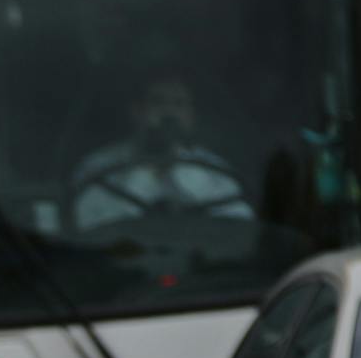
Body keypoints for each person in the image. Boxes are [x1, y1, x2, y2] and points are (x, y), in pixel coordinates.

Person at [69, 72, 252, 236]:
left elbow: (239, 228)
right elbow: (85, 227)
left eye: (179, 104)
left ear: (190, 116)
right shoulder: (98, 166)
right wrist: (143, 171)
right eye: (158, 102)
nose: (169, 113)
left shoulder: (215, 171)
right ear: (137, 111)